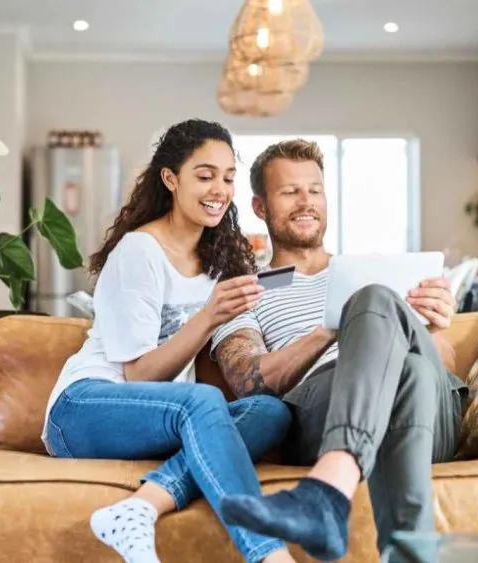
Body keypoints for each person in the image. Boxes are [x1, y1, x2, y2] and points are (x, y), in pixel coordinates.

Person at [42, 119, 295, 563]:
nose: (219, 188)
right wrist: (209, 314)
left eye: (228, 177)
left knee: (271, 412)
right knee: (199, 402)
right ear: (171, 178)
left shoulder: (217, 261)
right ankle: (269, 555)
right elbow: (138, 373)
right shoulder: (140, 251)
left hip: (157, 419)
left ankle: (140, 506)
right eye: (205, 175)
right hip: (83, 409)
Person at [210, 139, 468, 561]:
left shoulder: (379, 274)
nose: (305, 202)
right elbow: (247, 381)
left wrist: (437, 327)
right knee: (409, 371)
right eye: (289, 192)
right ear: (260, 207)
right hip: (320, 408)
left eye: (314, 190)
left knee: (412, 359)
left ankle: (326, 492)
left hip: (437, 418)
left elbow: (443, 367)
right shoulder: (247, 289)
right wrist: (335, 329)